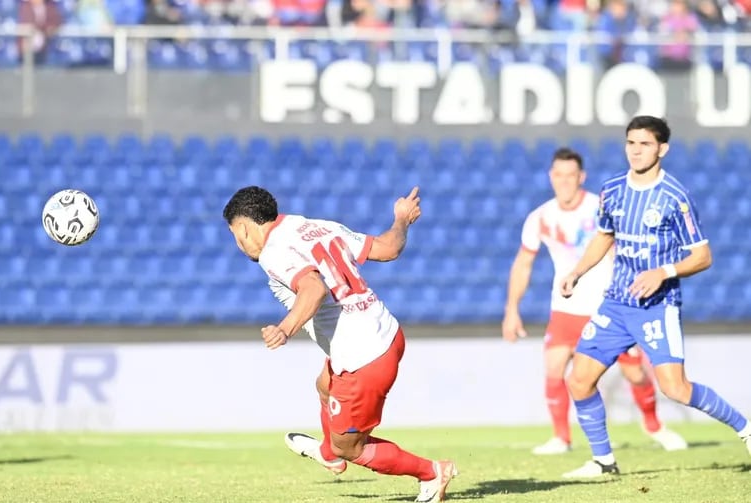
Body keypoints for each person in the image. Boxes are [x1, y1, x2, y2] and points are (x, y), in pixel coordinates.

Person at [222, 186, 457, 503]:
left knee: (349, 447)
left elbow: (313, 289)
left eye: (235, 236)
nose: (239, 245)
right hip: (386, 331)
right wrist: (401, 219)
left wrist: (285, 328)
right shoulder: (317, 227)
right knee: (324, 384)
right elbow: (389, 248)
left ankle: (431, 473)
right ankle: (327, 453)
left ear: (243, 227)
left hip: (364, 357)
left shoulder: (273, 251)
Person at [559, 116, 751, 478]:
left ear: (662, 149)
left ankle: (745, 427)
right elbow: (604, 236)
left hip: (656, 306)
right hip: (616, 303)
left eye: (644, 144)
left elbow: (702, 256)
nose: (635, 150)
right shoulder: (612, 189)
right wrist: (576, 272)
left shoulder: (675, 197)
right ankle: (603, 462)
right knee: (579, 380)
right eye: (631, 142)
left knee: (675, 389)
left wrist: (663, 272)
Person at [502, 147, 687, 455]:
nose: (564, 181)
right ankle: (561, 437)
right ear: (551, 177)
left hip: (607, 306)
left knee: (635, 373)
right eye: (558, 175)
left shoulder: (599, 208)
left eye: (570, 175)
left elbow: (622, 249)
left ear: (581, 177)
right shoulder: (540, 217)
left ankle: (653, 424)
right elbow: (523, 264)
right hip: (565, 308)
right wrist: (512, 310)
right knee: (554, 366)